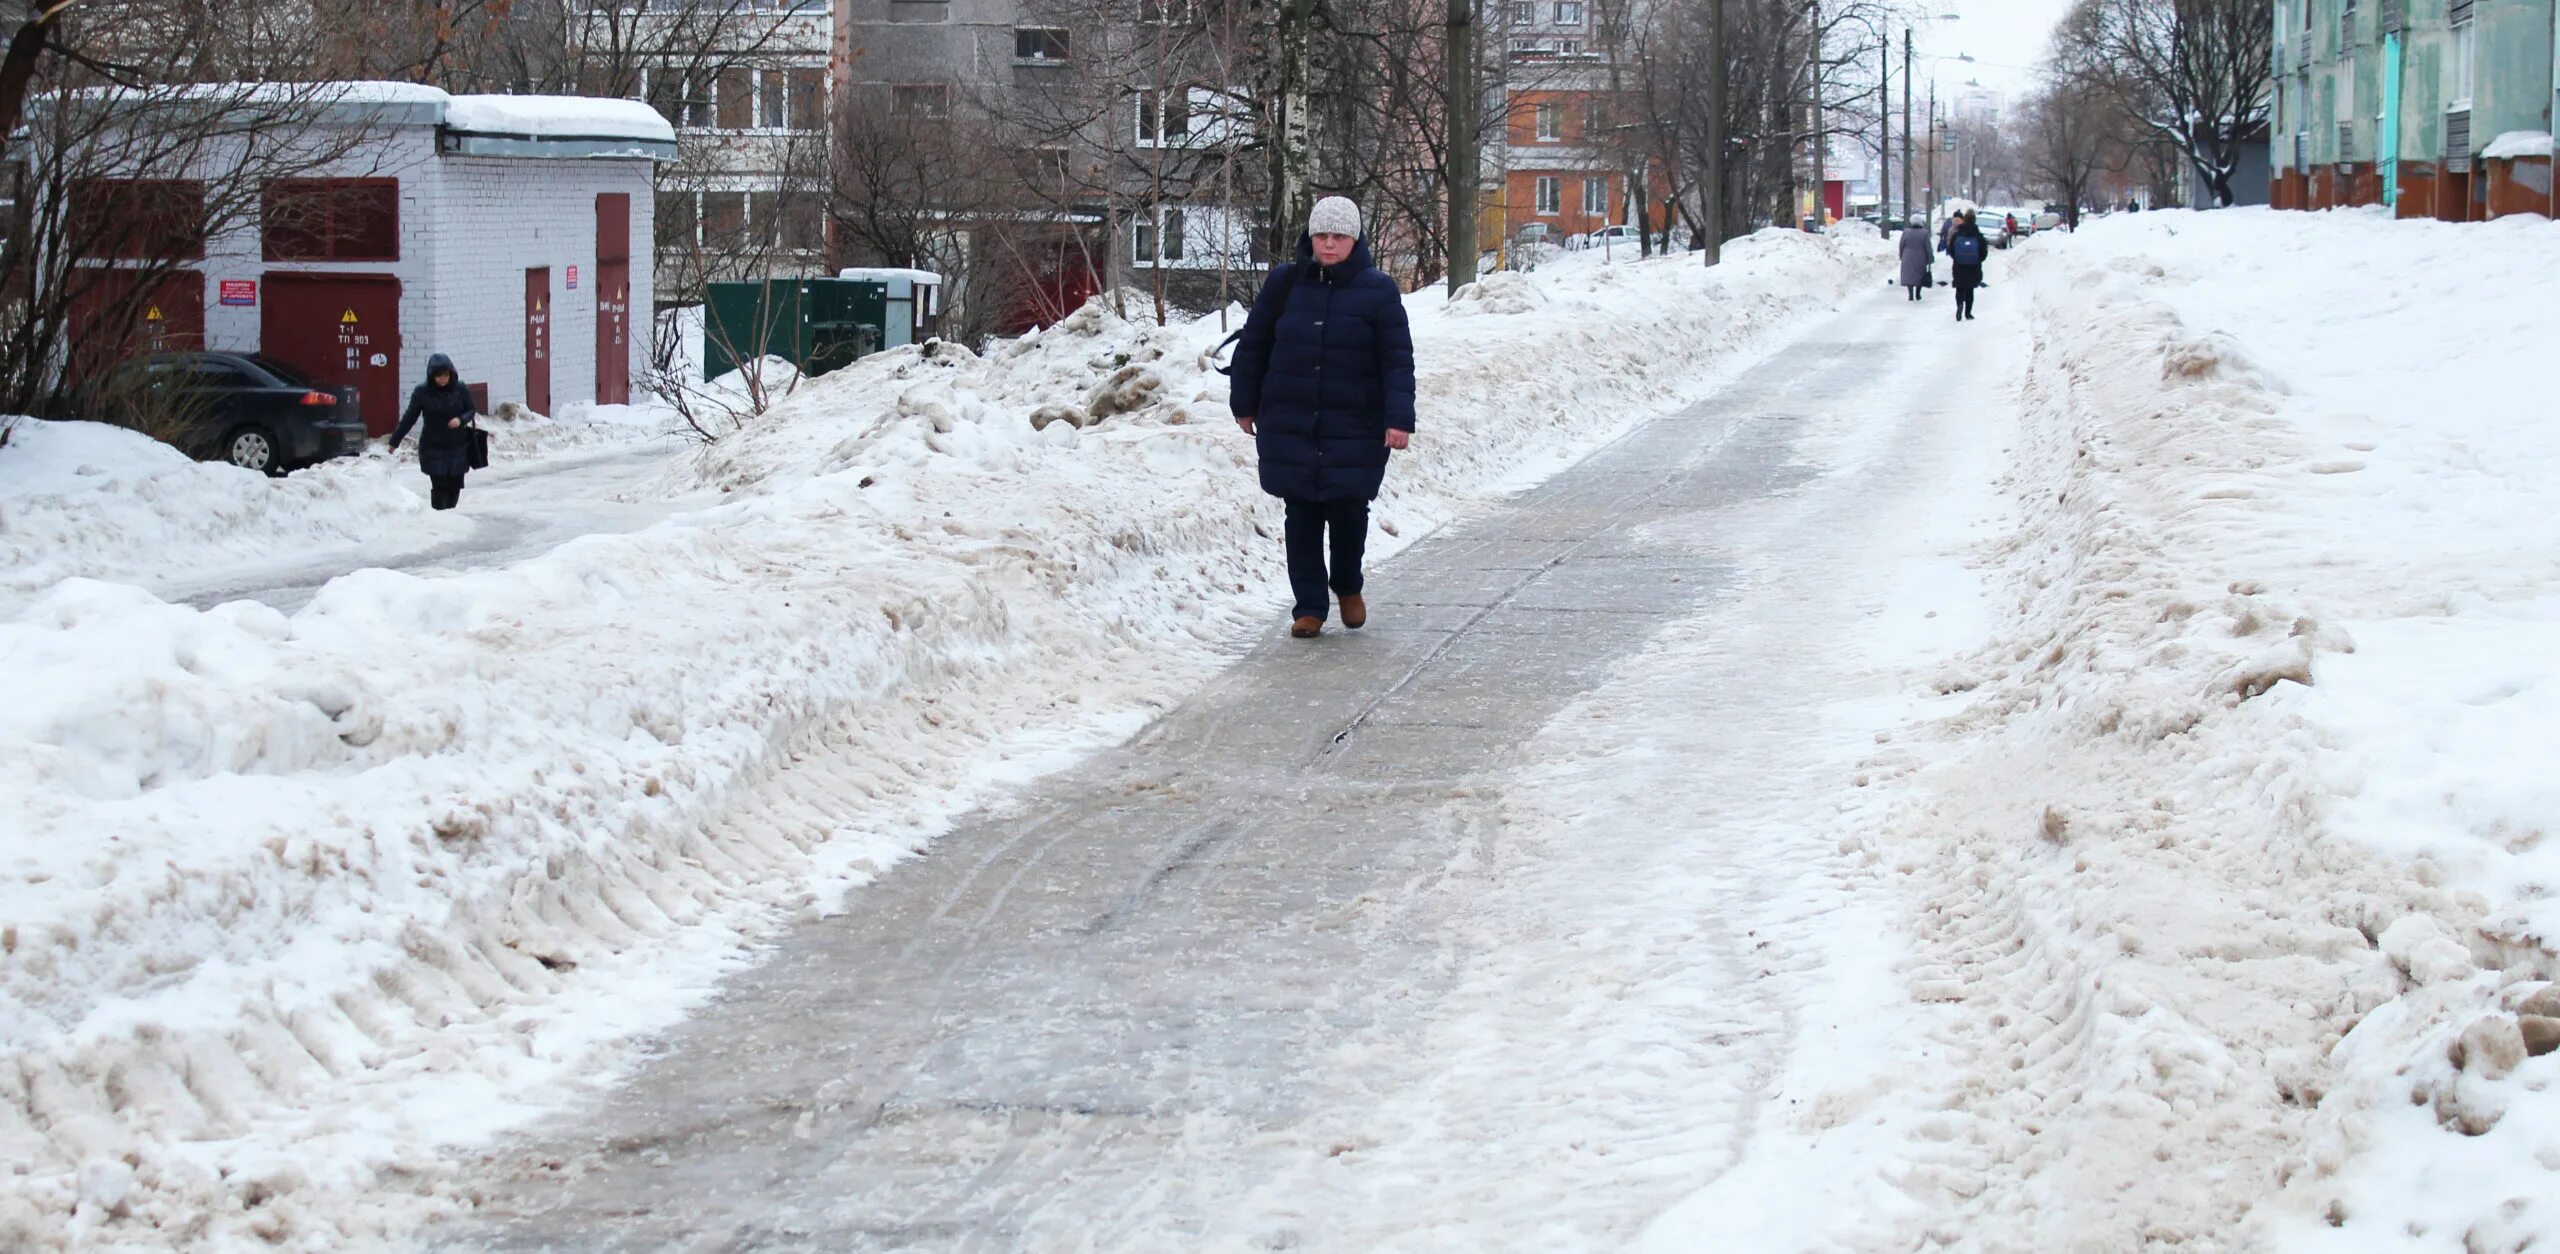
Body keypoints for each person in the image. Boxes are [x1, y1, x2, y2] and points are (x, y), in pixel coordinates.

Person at [1228, 195, 1416, 639]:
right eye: (1321, 236)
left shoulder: (1378, 290)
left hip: (1356, 423)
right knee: (1302, 515)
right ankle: (1309, 607)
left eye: (1338, 237)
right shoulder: (1284, 283)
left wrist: (1399, 418)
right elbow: (1254, 344)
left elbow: (1397, 360)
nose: (1329, 245)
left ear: (1355, 240)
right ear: (1310, 237)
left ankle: (1347, 584)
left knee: (1349, 511)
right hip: (1291, 418)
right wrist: (1245, 403)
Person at [389, 353, 478, 510]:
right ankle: (440, 518)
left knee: (454, 486)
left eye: (445, 375)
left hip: (458, 445)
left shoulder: (460, 389)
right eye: (438, 376)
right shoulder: (422, 392)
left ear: (451, 373)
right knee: (439, 487)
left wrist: (460, 420)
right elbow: (409, 418)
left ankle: (450, 518)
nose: (442, 379)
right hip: (433, 447)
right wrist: (395, 441)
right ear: (431, 376)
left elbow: (471, 409)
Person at [1944, 211, 1989, 322]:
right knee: (1970, 290)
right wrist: (1978, 260)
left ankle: (1959, 305)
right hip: (1973, 267)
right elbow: (1984, 251)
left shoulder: (1957, 234)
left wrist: (1957, 258)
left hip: (1959, 266)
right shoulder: (1978, 235)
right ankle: (1968, 313)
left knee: (1960, 288)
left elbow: (1950, 249)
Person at [1898, 220, 1933, 301]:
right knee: (1920, 275)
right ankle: (1918, 294)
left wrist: (1901, 255)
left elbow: (1901, 244)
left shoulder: (1906, 232)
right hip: (1920, 256)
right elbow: (1928, 247)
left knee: (1909, 275)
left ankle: (1910, 294)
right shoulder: (1925, 233)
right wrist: (1930, 258)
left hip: (1907, 255)